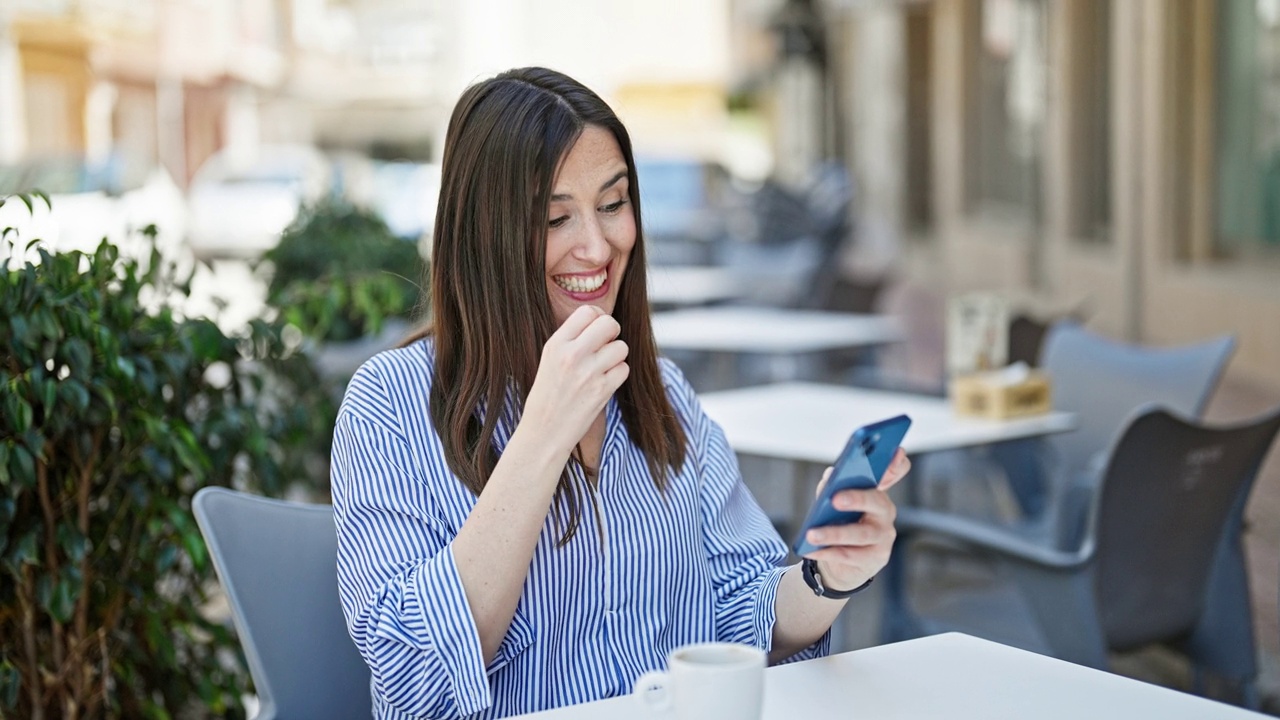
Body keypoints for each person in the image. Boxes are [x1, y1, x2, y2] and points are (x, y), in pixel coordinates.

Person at [330, 66, 910, 720]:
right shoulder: (390, 406)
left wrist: (827, 573)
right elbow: (414, 682)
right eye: (555, 217)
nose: (598, 245)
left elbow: (743, 601)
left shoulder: (662, 392)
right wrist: (543, 436)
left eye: (613, 204)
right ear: (483, 235)